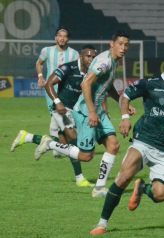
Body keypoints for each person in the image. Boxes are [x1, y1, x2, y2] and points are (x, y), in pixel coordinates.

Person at [90, 48, 164, 235]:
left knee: (160, 195)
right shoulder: (150, 84)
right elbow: (125, 96)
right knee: (123, 178)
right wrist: (125, 117)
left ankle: (142, 188)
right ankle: (102, 223)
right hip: (144, 142)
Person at [34, 31, 135, 197]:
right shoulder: (104, 61)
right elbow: (85, 83)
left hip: (97, 111)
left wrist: (123, 103)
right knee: (86, 156)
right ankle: (50, 144)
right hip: (87, 111)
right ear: (112, 44)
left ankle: (99, 188)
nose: (123, 48)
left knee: (113, 145)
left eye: (126, 45)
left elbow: (108, 85)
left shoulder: (114, 61)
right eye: (120, 44)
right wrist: (92, 112)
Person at [11, 45, 97, 187]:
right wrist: (57, 102)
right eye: (88, 56)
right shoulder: (68, 68)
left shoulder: (91, 72)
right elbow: (49, 83)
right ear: (81, 57)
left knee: (64, 145)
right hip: (61, 109)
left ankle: (28, 137)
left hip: (75, 111)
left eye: (93, 57)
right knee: (74, 141)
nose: (91, 59)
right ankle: (80, 179)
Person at [36, 26, 80, 158]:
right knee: (55, 116)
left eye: (65, 36)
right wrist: (40, 77)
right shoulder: (47, 51)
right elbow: (39, 63)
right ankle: (58, 148)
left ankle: (59, 146)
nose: (62, 38)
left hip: (68, 91)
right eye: (59, 36)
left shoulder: (74, 54)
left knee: (64, 116)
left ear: (68, 39)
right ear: (56, 37)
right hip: (51, 89)